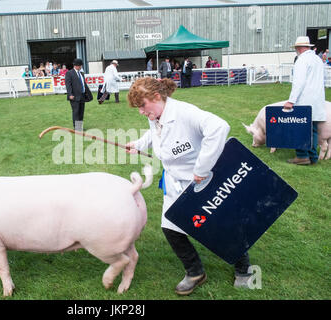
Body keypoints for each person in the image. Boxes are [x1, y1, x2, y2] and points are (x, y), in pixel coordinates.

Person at [125, 77, 252, 295]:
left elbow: (219, 127)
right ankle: (195, 272)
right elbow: (155, 132)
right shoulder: (156, 114)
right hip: (175, 182)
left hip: (203, 182)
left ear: (157, 97)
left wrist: (202, 169)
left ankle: (244, 270)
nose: (141, 112)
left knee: (221, 226)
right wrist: (138, 144)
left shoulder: (184, 113)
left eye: (142, 105)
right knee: (170, 228)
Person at [283, 36, 326, 165]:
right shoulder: (317, 59)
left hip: (304, 99)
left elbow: (299, 82)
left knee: (300, 127)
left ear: (298, 48)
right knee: (312, 130)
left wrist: (291, 100)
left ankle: (302, 156)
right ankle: (313, 156)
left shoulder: (302, 60)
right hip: (317, 100)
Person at [65, 58, 92, 131]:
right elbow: (68, 85)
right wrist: (70, 94)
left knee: (81, 112)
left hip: (82, 95)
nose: (81, 67)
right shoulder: (69, 73)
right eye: (80, 66)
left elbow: (83, 84)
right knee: (76, 112)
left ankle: (80, 127)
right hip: (74, 96)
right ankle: (77, 128)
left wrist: (87, 93)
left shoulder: (81, 73)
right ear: (76, 66)